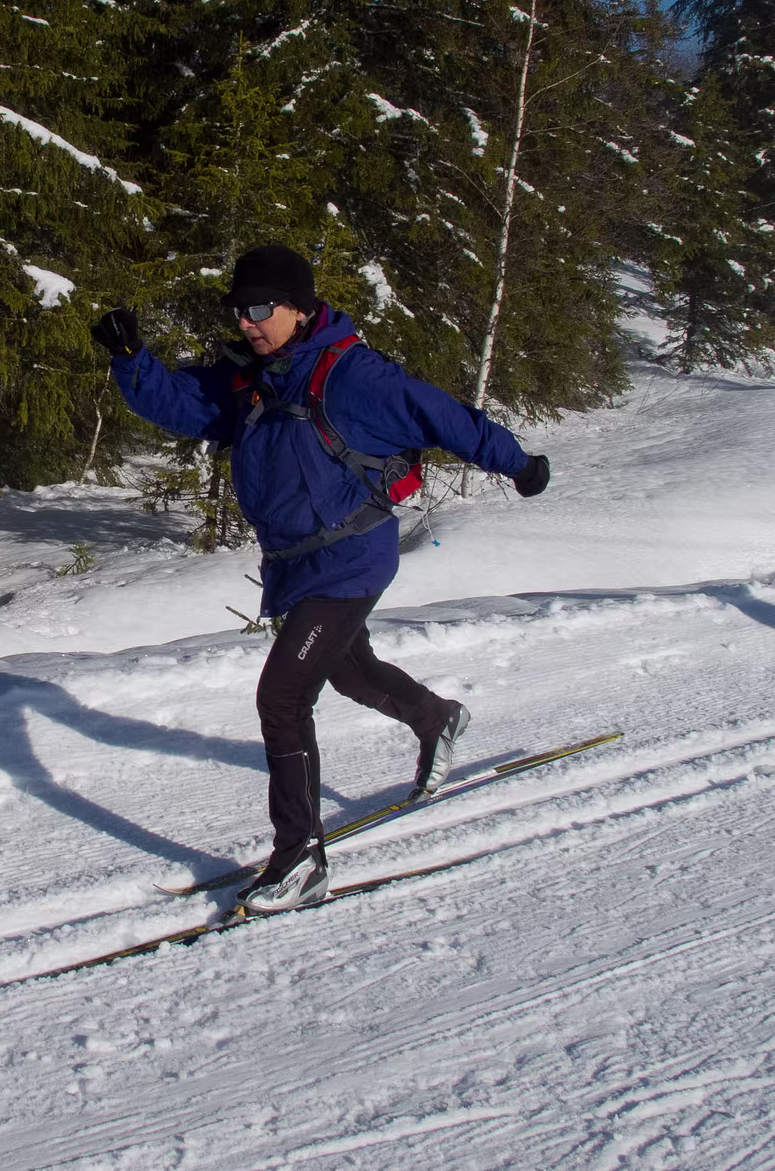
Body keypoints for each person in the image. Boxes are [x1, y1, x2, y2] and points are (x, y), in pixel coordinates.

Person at [91, 244, 550, 914]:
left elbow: (446, 417)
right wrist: (131, 358)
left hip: (352, 558)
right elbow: (183, 404)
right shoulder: (252, 380)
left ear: (300, 309)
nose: (246, 322)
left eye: (259, 309)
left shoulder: (352, 377)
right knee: (351, 672)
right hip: (298, 564)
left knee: (282, 698)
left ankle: (300, 860)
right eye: (238, 310)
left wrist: (520, 465)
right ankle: (437, 718)